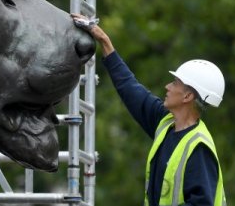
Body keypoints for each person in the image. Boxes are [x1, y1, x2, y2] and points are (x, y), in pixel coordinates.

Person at [71, 14, 226, 206]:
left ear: (188, 97)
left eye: (175, 83)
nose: (168, 87)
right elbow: (131, 89)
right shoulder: (165, 122)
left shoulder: (199, 147)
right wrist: (105, 42)